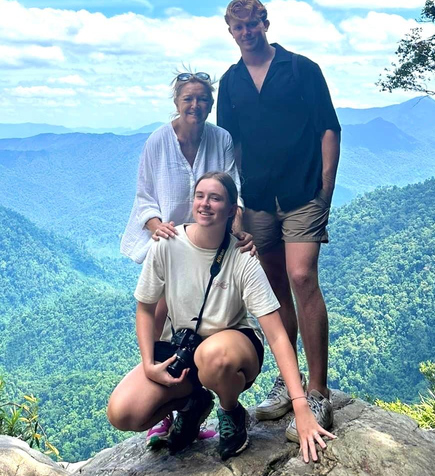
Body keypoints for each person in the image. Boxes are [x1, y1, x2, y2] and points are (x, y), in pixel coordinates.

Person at [108, 172, 335, 463]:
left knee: (212, 355)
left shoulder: (242, 256)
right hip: (185, 350)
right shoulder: (167, 243)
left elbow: (277, 335)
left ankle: (231, 411)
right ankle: (193, 404)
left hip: (233, 350)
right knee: (123, 412)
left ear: (231, 210)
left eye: (215, 198)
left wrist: (301, 407)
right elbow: (145, 308)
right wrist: (149, 364)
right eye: (200, 196)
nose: (205, 204)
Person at [216, 0, 341, 441]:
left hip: (303, 191)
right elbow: (230, 147)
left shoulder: (301, 69)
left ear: (265, 24)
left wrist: (325, 189)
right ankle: (289, 387)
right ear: (229, 31)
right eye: (238, 27)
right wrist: (236, 207)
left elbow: (329, 126)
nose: (246, 32)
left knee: (302, 277)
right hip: (257, 199)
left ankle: (319, 390)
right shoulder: (230, 83)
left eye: (252, 24)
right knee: (273, 290)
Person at [120, 71, 254, 447]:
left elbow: (233, 190)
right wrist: (157, 223)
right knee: (161, 327)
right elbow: (144, 196)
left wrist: (237, 230)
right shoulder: (158, 142)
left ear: (210, 104)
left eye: (202, 100)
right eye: (188, 99)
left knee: (210, 323)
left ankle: (209, 399)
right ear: (176, 102)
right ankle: (173, 409)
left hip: (212, 245)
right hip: (169, 246)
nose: (196, 106)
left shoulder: (220, 139)